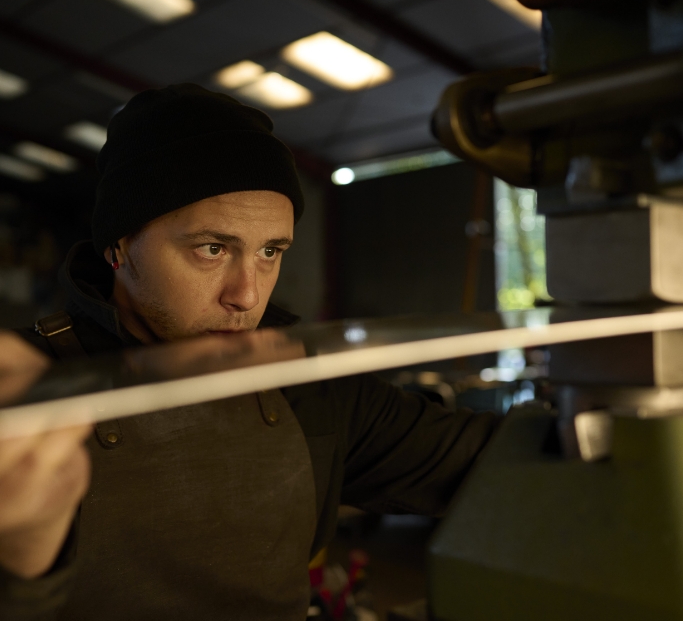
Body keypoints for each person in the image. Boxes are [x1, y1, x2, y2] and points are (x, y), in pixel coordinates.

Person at [0, 84, 497, 621]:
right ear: (120, 246)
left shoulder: (312, 385)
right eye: (212, 249)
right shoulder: (26, 390)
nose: (248, 295)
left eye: (270, 252)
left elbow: (494, 464)